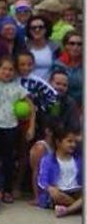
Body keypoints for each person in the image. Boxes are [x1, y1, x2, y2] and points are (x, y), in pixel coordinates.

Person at [0, 55, 33, 203]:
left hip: (10, 126)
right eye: (4, 69)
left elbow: (31, 106)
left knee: (8, 160)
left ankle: (7, 189)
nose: (7, 72)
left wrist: (31, 126)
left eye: (11, 70)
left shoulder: (18, 88)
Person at [28, 70, 81, 205]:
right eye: (57, 83)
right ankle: (38, 196)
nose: (60, 87)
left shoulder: (70, 103)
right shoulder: (40, 98)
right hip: (48, 141)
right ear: (50, 82)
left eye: (64, 85)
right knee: (38, 150)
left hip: (65, 142)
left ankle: (72, 200)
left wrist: (64, 141)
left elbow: (73, 130)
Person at [37, 125, 83, 217]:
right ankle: (78, 206)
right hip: (59, 192)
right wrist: (49, 188)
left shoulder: (78, 159)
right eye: (69, 141)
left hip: (75, 190)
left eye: (74, 142)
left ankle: (67, 210)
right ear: (58, 142)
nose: (73, 145)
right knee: (56, 195)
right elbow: (41, 180)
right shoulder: (48, 160)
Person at [53, 31, 83, 106]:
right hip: (64, 106)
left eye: (79, 44)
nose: (75, 47)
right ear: (65, 46)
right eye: (72, 43)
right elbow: (57, 89)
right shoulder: (58, 65)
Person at [26, 15, 58, 81]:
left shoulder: (55, 47)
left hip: (49, 87)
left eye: (41, 27)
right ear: (29, 30)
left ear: (46, 29)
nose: (37, 30)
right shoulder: (24, 47)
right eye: (33, 28)